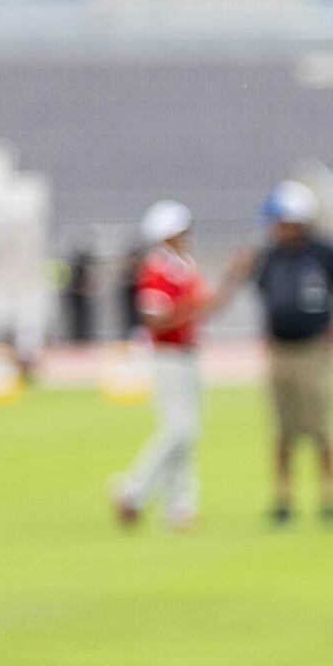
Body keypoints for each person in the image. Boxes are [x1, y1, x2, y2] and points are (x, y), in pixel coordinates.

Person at [241, 181, 333, 526]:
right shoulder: (268, 256)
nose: (275, 229)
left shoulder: (325, 252)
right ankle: (283, 498)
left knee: (321, 427)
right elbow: (263, 296)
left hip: (316, 352)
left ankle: (329, 496)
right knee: (283, 430)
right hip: (281, 351)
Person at [113, 201, 210, 531]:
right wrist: (193, 308)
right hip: (167, 355)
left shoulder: (184, 266)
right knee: (178, 429)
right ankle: (133, 488)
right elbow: (155, 320)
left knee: (188, 432)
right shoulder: (156, 270)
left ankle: (180, 504)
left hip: (187, 353)